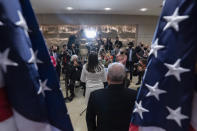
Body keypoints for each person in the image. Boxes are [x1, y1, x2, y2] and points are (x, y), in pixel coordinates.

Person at [86, 62, 137, 131]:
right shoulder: (135, 95)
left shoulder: (95, 95)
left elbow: (90, 120)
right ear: (124, 77)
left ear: (107, 77)